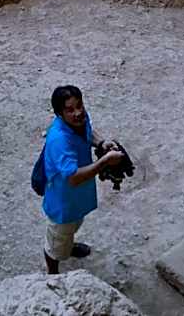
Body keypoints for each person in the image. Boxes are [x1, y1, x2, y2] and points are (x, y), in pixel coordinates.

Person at [42, 85, 123, 275]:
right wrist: (104, 161)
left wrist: (101, 143)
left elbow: (89, 132)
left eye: (79, 106)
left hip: (77, 199)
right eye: (70, 110)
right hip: (63, 204)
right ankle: (52, 275)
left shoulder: (79, 121)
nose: (78, 113)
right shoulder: (59, 140)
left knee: (71, 229)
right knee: (56, 243)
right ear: (60, 114)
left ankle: (68, 246)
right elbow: (73, 178)